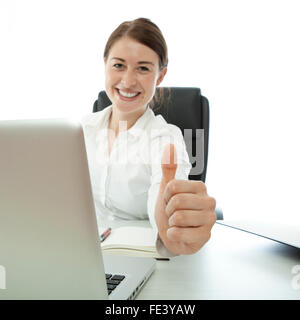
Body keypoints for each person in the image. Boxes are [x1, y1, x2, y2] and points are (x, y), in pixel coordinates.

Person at [81, 18, 216, 257]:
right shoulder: (81, 130)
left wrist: (170, 225)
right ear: (105, 64)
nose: (128, 81)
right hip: (84, 253)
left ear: (160, 76)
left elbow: (163, 207)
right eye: (119, 65)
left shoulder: (166, 139)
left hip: (140, 258)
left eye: (143, 68)